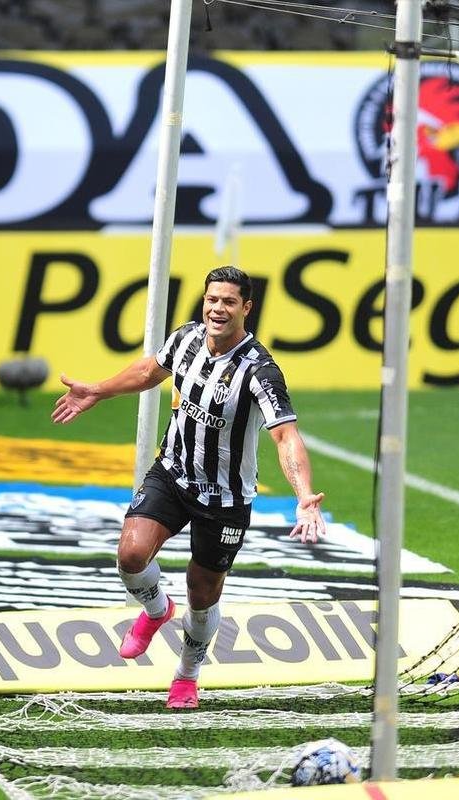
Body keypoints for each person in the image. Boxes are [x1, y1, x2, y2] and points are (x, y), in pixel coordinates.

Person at [52, 266, 326, 709]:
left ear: (246, 308)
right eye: (212, 299)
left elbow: (285, 436)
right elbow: (148, 372)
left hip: (226, 500)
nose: (218, 309)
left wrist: (303, 495)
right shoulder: (186, 339)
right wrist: (98, 391)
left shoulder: (261, 370)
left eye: (229, 302)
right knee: (131, 555)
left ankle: (187, 674)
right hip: (173, 474)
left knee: (203, 593)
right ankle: (158, 610)